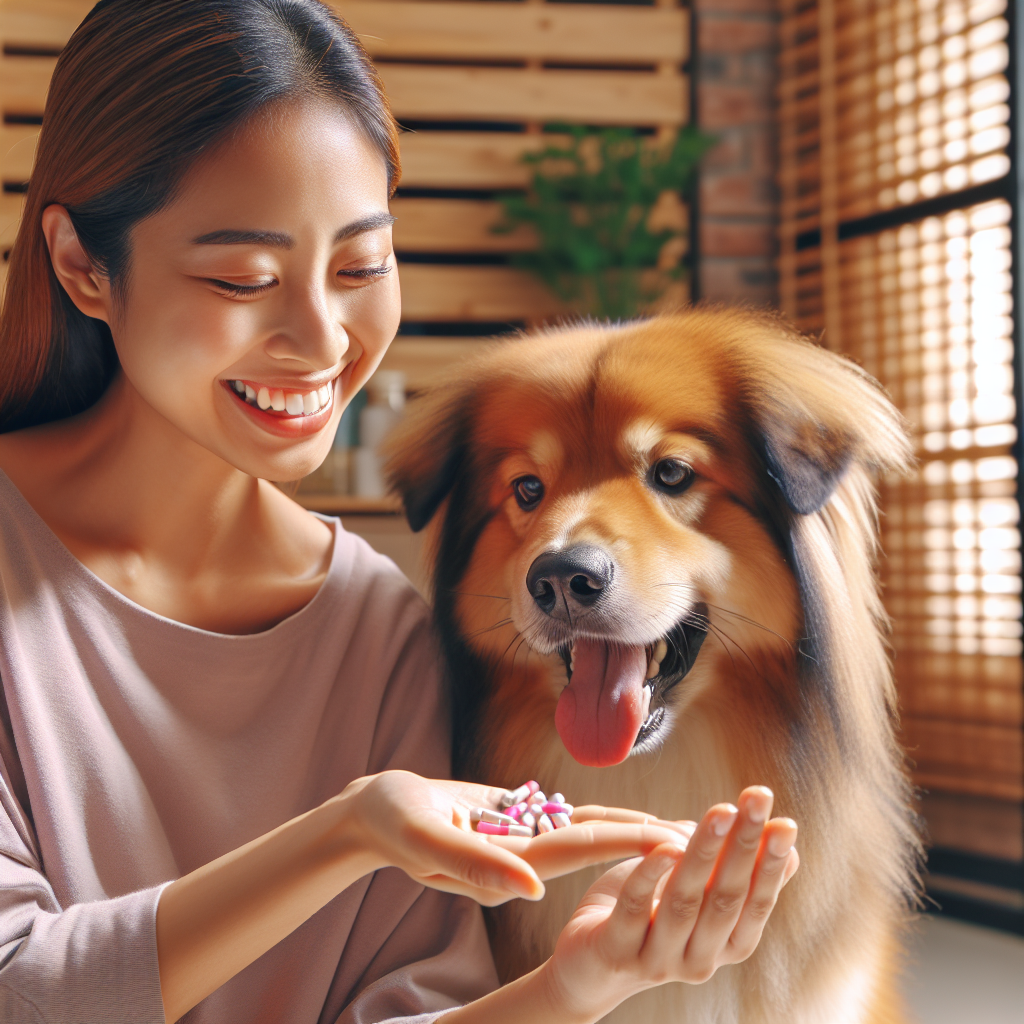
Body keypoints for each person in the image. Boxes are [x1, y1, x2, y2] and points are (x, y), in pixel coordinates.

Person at [0, 2, 800, 1022]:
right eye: (243, 277)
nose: (320, 336)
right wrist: (346, 833)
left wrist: (581, 982)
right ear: (82, 266)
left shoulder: (374, 624)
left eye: (360, 266)